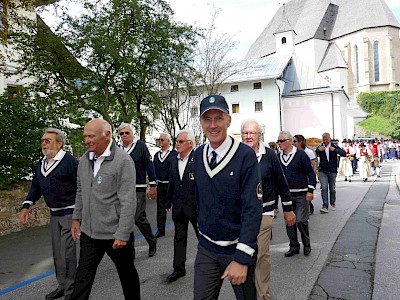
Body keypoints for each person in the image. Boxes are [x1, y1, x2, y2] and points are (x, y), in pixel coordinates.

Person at [193, 95, 262, 300]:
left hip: (237, 249)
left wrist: (241, 258)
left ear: (229, 121)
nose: (213, 125)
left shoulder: (245, 155)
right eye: (207, 119)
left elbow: (252, 209)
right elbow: (199, 200)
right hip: (206, 248)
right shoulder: (197, 156)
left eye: (219, 118)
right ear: (201, 122)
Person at [70, 119, 140, 300]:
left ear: (107, 135)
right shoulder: (84, 160)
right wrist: (76, 218)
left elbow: (128, 201)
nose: (87, 140)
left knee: (127, 276)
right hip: (89, 233)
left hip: (115, 235)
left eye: (91, 136)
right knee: (82, 279)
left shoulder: (123, 161)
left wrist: (123, 233)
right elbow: (80, 190)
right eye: (85, 136)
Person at [19, 128, 78, 300]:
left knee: (68, 253)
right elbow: (35, 188)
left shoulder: (70, 162)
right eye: (43, 140)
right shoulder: (41, 164)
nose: (44, 143)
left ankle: (71, 290)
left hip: (71, 213)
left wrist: (81, 213)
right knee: (57, 253)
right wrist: (25, 207)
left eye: (48, 140)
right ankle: (62, 285)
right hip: (54, 214)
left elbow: (82, 186)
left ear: (59, 143)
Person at [242, 119, 295, 300]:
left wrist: (288, 209)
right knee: (244, 253)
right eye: (245, 133)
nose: (248, 136)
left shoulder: (269, 155)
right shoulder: (236, 154)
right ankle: (247, 293)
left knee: (261, 253)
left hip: (264, 211)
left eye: (252, 133)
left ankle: (263, 295)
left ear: (259, 136)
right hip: (241, 214)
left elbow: (281, 182)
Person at [118, 123, 157, 257]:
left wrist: (152, 185)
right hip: (123, 189)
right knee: (126, 219)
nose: (124, 135)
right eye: (121, 133)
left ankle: (152, 241)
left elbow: (149, 165)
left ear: (132, 133)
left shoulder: (140, 146)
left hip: (139, 187)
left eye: (126, 133)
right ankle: (130, 249)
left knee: (138, 217)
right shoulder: (118, 149)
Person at [165, 130, 199, 283]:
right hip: (179, 207)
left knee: (203, 238)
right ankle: (178, 269)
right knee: (179, 239)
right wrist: (167, 202)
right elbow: (172, 182)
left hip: (196, 208)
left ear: (190, 143)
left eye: (180, 141)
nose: (177, 144)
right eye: (176, 141)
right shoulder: (173, 160)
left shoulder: (198, 159)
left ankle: (212, 266)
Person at [277, 131, 316, 257]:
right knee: (290, 221)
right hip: (286, 195)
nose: (279, 143)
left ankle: (307, 244)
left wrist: (310, 190)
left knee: (301, 220)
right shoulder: (278, 156)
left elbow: (310, 172)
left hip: (301, 193)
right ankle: (293, 246)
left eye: (281, 141)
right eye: (278, 141)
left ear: (289, 141)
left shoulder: (301, 155)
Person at [153, 132, 177, 238]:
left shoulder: (174, 154)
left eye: (162, 140)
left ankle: (179, 228)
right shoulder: (156, 155)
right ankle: (160, 229)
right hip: (161, 185)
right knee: (160, 208)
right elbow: (153, 170)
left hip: (172, 185)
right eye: (159, 140)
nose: (160, 142)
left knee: (176, 207)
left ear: (168, 141)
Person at [315, 133, 346, 213]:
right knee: (324, 187)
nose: (325, 141)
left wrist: (335, 150)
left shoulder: (334, 146)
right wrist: (318, 151)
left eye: (326, 139)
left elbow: (344, 153)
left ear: (330, 139)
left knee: (332, 188)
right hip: (323, 171)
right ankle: (325, 205)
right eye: (323, 139)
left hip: (332, 171)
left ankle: (332, 203)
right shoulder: (320, 146)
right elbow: (314, 155)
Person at [293, 134, 318, 215]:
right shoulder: (293, 152)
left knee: (306, 194)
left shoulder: (308, 151)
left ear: (300, 142)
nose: (293, 143)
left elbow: (313, 165)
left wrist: (313, 177)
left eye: (295, 141)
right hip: (299, 178)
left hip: (307, 177)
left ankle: (308, 207)